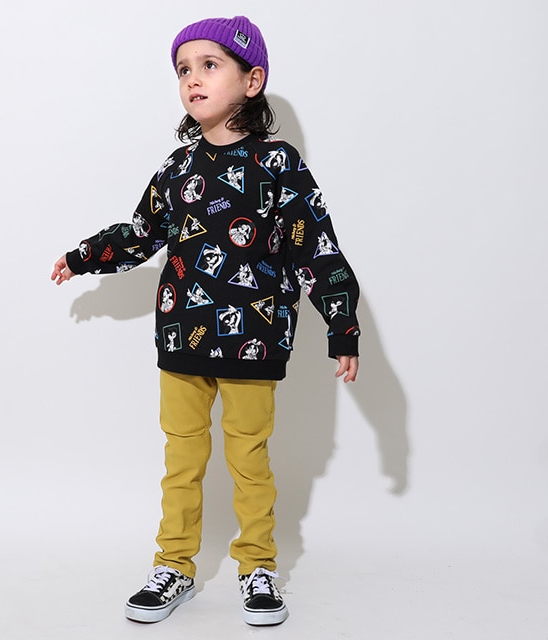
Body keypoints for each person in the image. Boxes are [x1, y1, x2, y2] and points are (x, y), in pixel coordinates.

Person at [51, 15, 360, 627]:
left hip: (254, 341)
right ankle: (174, 566)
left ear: (252, 80)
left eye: (209, 65)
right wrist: (84, 256)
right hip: (181, 337)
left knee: (249, 459)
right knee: (182, 461)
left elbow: (316, 248)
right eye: (183, 70)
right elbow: (139, 235)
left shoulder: (279, 165)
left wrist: (341, 325)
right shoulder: (177, 170)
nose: (192, 79)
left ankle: (258, 567)